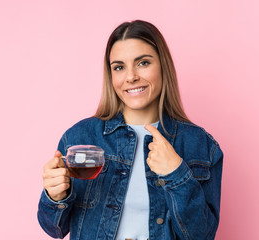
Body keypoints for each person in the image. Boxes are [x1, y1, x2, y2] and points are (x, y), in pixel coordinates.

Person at [37, 20, 223, 240]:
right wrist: (55, 195)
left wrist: (176, 173)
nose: (131, 76)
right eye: (119, 67)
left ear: (163, 66)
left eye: (143, 63)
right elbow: (55, 229)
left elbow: (202, 235)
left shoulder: (200, 145)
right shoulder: (80, 137)